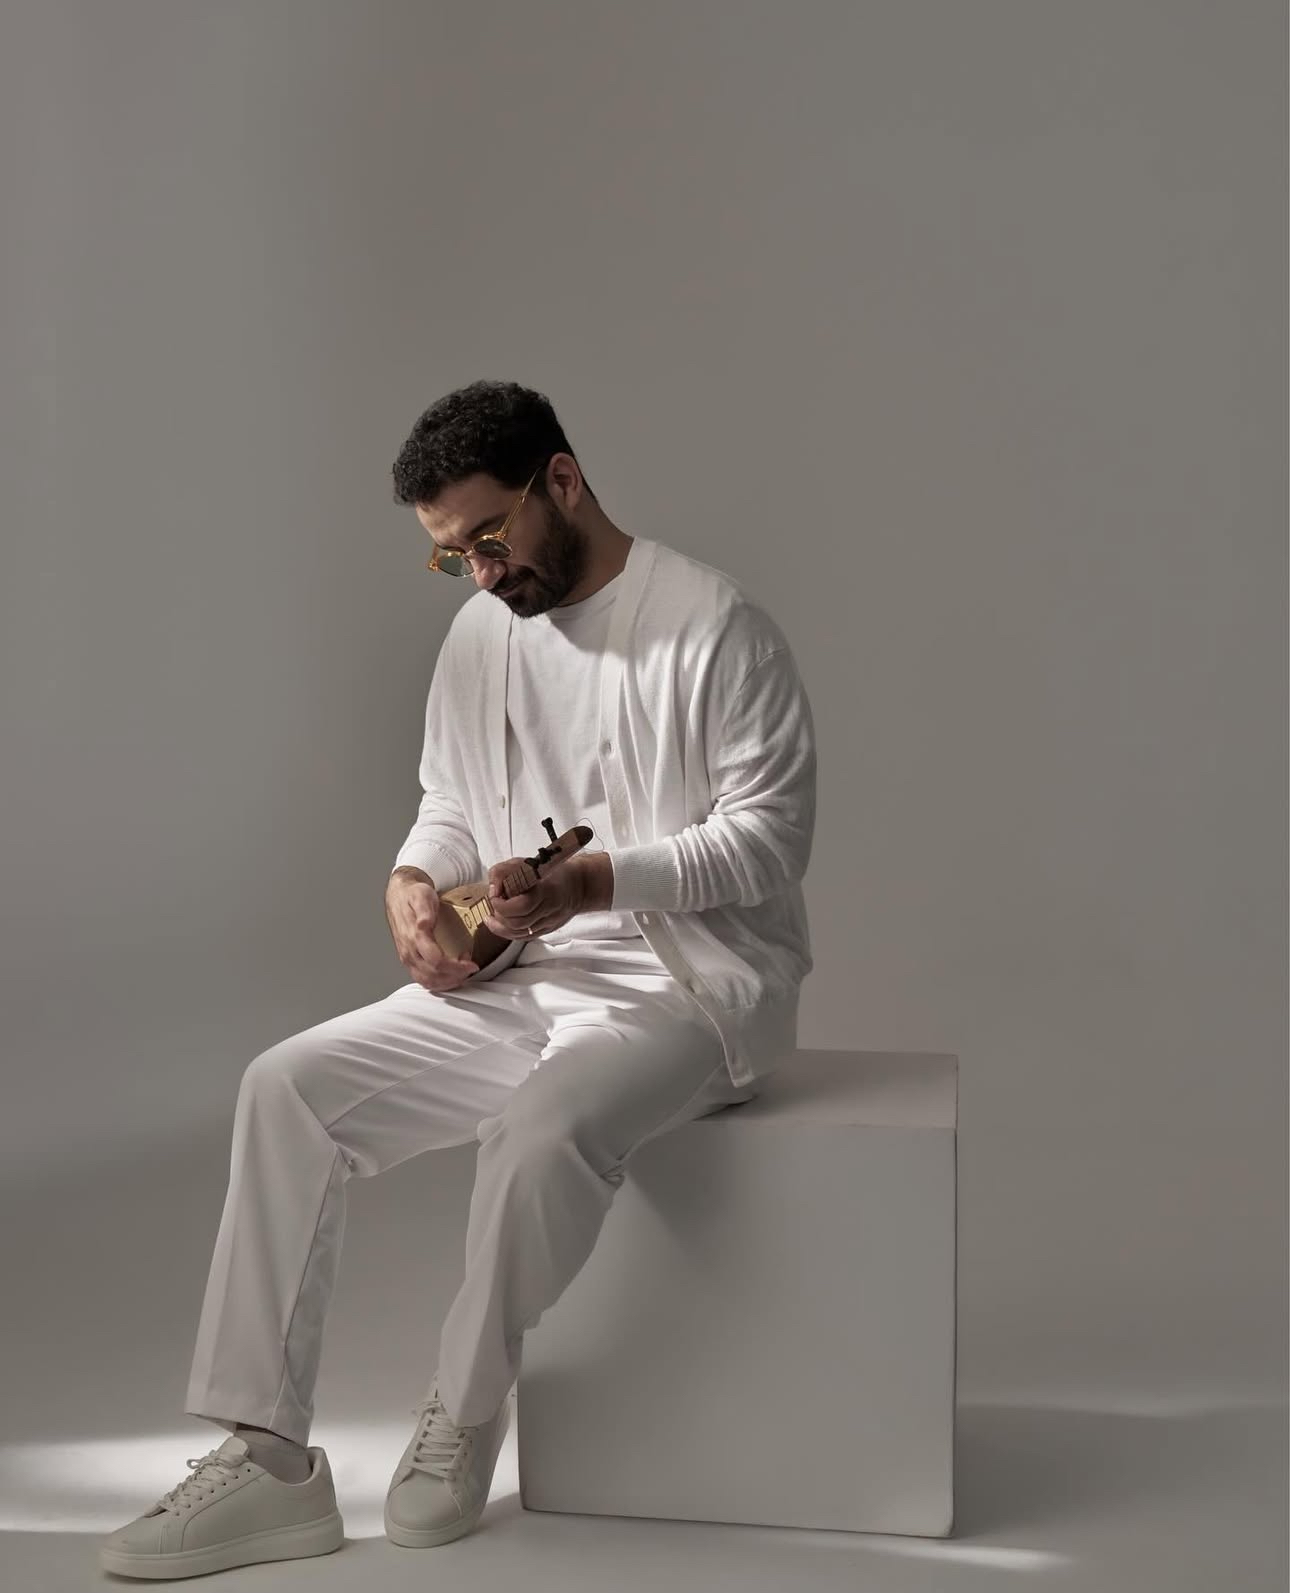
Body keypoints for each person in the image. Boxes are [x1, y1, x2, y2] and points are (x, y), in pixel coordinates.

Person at [99, 379, 817, 1578]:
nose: (480, 573)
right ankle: (269, 1461)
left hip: (685, 986)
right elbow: (448, 804)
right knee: (286, 1088)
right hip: (520, 974)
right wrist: (412, 881)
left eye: (490, 537)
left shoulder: (715, 627)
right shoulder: (482, 634)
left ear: (562, 481)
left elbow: (769, 841)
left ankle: (465, 1406)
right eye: (452, 556)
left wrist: (598, 883)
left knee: (540, 1131)